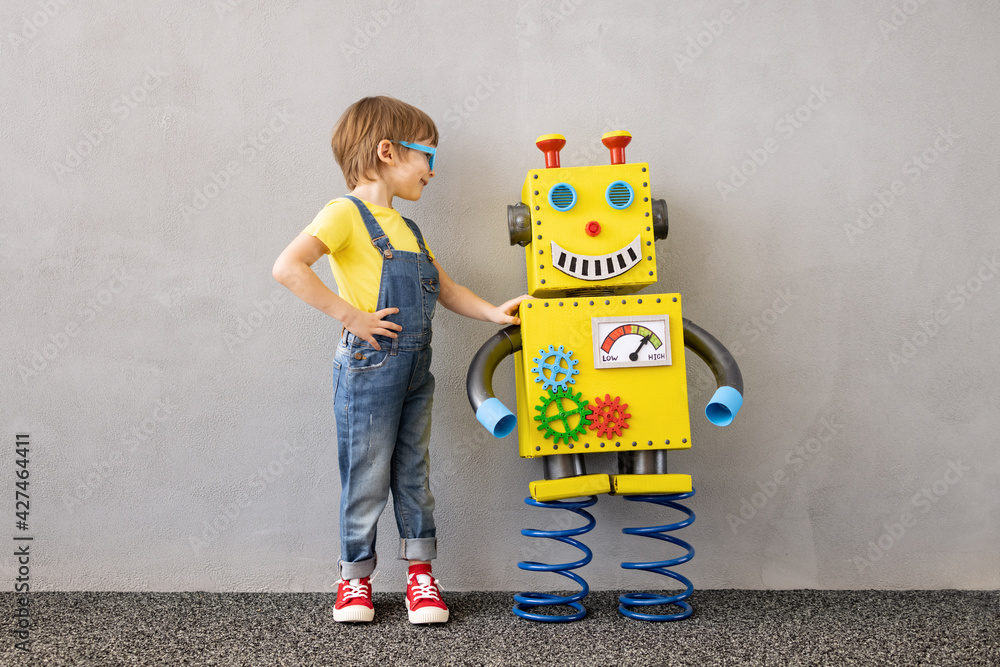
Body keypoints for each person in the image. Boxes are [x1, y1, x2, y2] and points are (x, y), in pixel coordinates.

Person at [272, 96, 528, 624]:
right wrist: (351, 316)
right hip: (368, 367)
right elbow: (288, 267)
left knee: (413, 471)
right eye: (427, 157)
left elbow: (448, 290)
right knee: (366, 473)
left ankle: (420, 579)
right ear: (388, 151)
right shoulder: (344, 213)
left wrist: (495, 314)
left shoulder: (409, 229)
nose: (433, 171)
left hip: (416, 369)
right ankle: (354, 583)